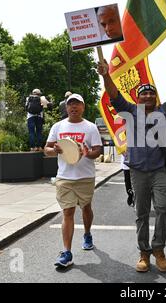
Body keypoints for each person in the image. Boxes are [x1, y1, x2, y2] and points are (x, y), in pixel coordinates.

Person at [97, 53, 166, 273]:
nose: (146, 96)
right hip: (137, 172)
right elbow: (114, 93)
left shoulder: (165, 110)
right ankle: (144, 253)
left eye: (150, 94)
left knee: (164, 207)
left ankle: (159, 249)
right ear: (137, 99)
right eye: (143, 94)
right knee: (141, 213)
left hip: (159, 170)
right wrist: (106, 75)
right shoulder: (130, 111)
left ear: (156, 98)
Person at [44, 94, 103, 268]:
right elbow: (46, 149)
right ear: (66, 108)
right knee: (67, 212)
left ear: (83, 107)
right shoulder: (58, 126)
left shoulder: (90, 127)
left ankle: (87, 233)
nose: (74, 107)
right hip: (64, 177)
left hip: (85, 176)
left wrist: (87, 153)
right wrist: (54, 150)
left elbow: (98, 150)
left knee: (86, 207)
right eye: (71, 104)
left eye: (77, 104)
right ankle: (67, 252)